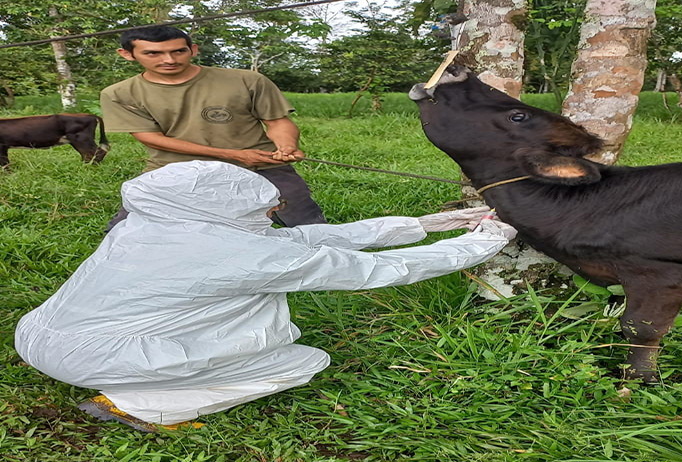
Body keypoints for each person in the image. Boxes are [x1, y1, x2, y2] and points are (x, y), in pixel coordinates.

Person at [15, 161, 517, 432]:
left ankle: (135, 387)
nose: (277, 206)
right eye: (263, 203)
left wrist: (427, 224)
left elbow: (303, 240)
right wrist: (481, 242)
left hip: (40, 336)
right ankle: (139, 404)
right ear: (219, 208)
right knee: (300, 361)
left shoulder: (153, 226)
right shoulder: (233, 250)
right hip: (99, 356)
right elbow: (371, 271)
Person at [100, 25, 325, 229]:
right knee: (125, 228)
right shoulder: (119, 93)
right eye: (153, 53)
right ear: (127, 54)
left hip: (261, 165)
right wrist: (233, 155)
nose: (169, 59)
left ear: (193, 49)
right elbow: (150, 137)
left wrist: (286, 146)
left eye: (179, 51)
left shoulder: (246, 79)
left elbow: (277, 122)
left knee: (306, 223)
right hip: (173, 168)